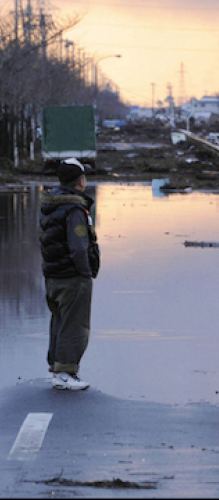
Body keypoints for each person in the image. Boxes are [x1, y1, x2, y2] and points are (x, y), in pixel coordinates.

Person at [39, 158, 100, 390]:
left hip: (53, 274)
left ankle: (57, 368)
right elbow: (78, 245)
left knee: (59, 322)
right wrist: (85, 272)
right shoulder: (75, 209)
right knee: (75, 325)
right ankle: (65, 372)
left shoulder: (50, 203)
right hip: (72, 277)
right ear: (81, 181)